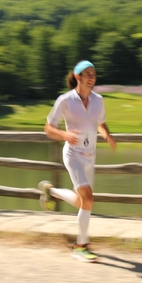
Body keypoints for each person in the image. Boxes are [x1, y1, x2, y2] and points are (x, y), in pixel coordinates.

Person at [38, 60, 116, 262]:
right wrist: (64, 134)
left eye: (94, 74)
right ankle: (80, 246)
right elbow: (48, 128)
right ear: (77, 76)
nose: (92, 77)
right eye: (88, 74)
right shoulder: (65, 100)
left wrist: (107, 134)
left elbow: (101, 123)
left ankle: (51, 191)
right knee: (88, 199)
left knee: (83, 201)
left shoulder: (99, 100)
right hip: (73, 155)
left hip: (90, 156)